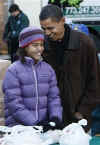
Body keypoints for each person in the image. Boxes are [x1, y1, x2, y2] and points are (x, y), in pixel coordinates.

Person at [39, 4, 99, 131]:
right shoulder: (41, 46)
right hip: (52, 120)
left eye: (50, 28)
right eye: (43, 29)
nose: (47, 33)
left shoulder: (85, 43)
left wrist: (83, 111)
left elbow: (95, 82)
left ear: (63, 21)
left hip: (80, 120)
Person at [2, 26, 63, 131]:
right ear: (25, 47)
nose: (40, 49)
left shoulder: (48, 69)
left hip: (41, 128)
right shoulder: (14, 70)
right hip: (18, 128)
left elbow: (54, 98)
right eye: (35, 45)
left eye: (41, 44)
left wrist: (55, 117)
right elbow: (14, 103)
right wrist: (35, 123)